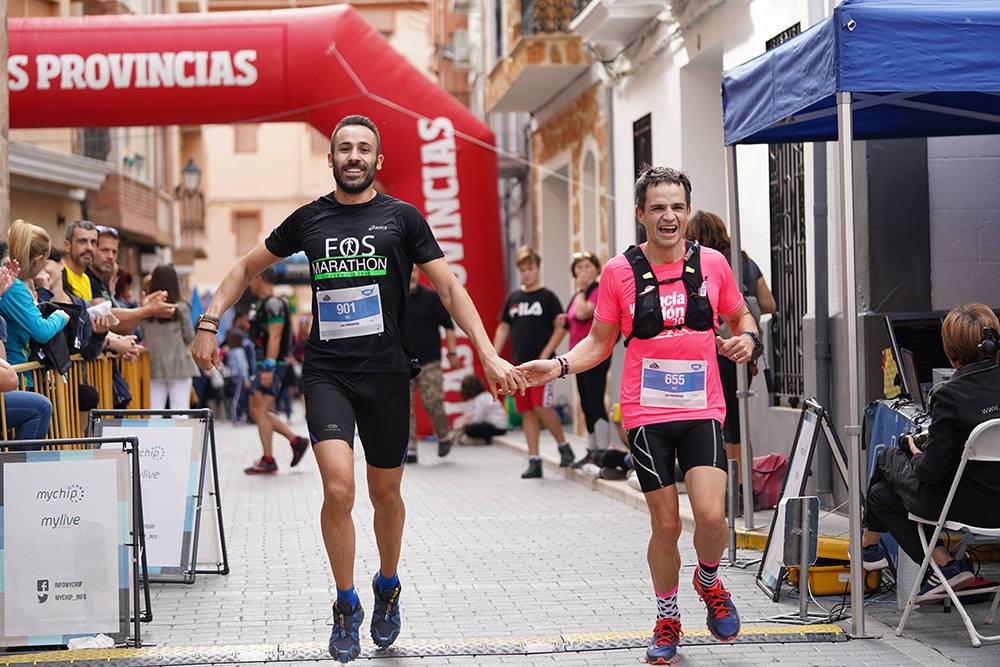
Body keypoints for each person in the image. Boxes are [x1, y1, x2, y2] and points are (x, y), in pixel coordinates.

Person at [191, 114, 523, 662]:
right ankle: (345, 602)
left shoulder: (402, 218)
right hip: (327, 373)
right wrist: (210, 319)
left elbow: (449, 287)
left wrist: (487, 352)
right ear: (331, 159)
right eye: (343, 148)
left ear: (376, 161)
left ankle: (387, 586)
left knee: (385, 495)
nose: (352, 156)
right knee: (339, 489)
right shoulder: (309, 220)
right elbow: (246, 265)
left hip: (388, 374)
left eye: (362, 149)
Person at [518, 167, 760, 664]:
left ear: (687, 211)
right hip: (646, 415)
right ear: (640, 214)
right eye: (657, 208)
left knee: (713, 515)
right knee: (667, 525)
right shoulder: (618, 273)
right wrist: (558, 366)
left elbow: (740, 316)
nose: (668, 216)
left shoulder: (713, 264)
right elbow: (599, 343)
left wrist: (748, 338)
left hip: (702, 409)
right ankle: (668, 617)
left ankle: (709, 581)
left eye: (676, 206)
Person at [861, 303, 1000, 604]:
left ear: (950, 351)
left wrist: (914, 451)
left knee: (886, 462)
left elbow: (930, 472)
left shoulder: (949, 396)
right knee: (883, 494)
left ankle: (871, 545)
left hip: (967, 509)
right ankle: (943, 566)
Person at [687, 210, 776, 511]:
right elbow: (769, 304)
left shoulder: (701, 263)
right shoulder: (745, 260)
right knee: (740, 418)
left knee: (722, 422)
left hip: (717, 348)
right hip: (746, 349)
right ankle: (745, 487)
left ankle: (732, 491)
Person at [493, 245, 575, 479]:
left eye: (531, 268)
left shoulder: (547, 297)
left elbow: (561, 328)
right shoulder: (514, 298)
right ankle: (534, 459)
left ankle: (563, 446)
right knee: (526, 410)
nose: (527, 273)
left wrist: (546, 354)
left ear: (538, 269)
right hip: (520, 362)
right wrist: (494, 355)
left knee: (542, 405)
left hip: (545, 364)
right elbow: (503, 327)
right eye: (523, 269)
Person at [239, 267, 309, 474]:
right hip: (266, 364)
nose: (250, 284)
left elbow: (276, 337)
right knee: (258, 411)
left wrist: (269, 367)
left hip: (272, 365)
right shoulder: (268, 304)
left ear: (260, 279)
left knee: (260, 411)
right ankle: (295, 441)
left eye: (252, 279)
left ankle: (269, 459)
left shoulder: (274, 303)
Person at [406, 266, 461, 461]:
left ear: (418, 273)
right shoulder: (395, 298)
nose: (411, 275)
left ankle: (444, 435)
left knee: (433, 402)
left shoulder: (431, 297)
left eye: (413, 271)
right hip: (403, 364)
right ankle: (410, 449)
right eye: (407, 271)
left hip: (429, 361)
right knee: (405, 408)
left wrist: (453, 353)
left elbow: (449, 326)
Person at [564, 250, 613, 467]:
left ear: (596, 269)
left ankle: (602, 449)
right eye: (578, 268)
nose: (582, 272)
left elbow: (583, 313)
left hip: (595, 353)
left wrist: (581, 292)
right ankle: (592, 448)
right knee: (584, 401)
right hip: (577, 355)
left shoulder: (595, 290)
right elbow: (567, 320)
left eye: (587, 267)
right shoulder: (577, 295)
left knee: (595, 398)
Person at [0, 220, 70, 369]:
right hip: (16, 372)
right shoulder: (15, 287)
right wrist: (60, 317)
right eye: (44, 262)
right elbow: (41, 331)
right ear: (38, 260)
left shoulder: (12, 282)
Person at [140, 264, 201, 410]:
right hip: (180, 366)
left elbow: (143, 335)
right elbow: (189, 337)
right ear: (174, 282)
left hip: (154, 366)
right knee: (180, 412)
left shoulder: (145, 309)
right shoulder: (181, 308)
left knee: (154, 413)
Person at [451, 373, 508, 445]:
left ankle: (484, 440)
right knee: (464, 425)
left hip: (498, 427)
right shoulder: (480, 397)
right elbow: (471, 413)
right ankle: (461, 438)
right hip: (496, 425)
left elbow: (477, 419)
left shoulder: (480, 399)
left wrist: (463, 424)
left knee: (469, 429)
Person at [222, 328, 251, 425]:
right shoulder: (239, 351)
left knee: (234, 397)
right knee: (237, 397)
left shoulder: (229, 350)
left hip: (231, 375)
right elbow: (242, 366)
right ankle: (235, 417)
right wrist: (246, 378)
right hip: (238, 376)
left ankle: (234, 416)